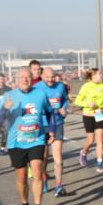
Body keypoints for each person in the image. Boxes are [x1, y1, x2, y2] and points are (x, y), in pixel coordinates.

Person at [0, 68, 54, 205]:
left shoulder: (40, 94)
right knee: (21, 177)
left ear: (32, 79)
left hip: (37, 139)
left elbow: (49, 112)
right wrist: (5, 108)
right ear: (16, 79)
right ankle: (24, 204)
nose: (25, 80)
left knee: (37, 172)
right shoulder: (9, 96)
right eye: (22, 77)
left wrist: (51, 130)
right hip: (16, 142)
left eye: (28, 77)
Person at [38, 67, 71, 197]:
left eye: (52, 77)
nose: (50, 80)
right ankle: (44, 178)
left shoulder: (60, 86)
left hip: (57, 124)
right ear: (42, 77)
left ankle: (58, 185)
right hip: (43, 125)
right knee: (44, 156)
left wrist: (64, 109)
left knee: (58, 157)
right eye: (47, 77)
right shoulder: (37, 88)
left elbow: (65, 100)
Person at [75, 68, 103, 173]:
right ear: (92, 76)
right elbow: (77, 101)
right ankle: (83, 152)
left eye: (101, 74)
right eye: (99, 74)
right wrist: (87, 104)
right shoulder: (86, 86)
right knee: (91, 139)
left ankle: (100, 163)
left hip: (99, 114)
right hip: (88, 114)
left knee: (100, 139)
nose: (101, 76)